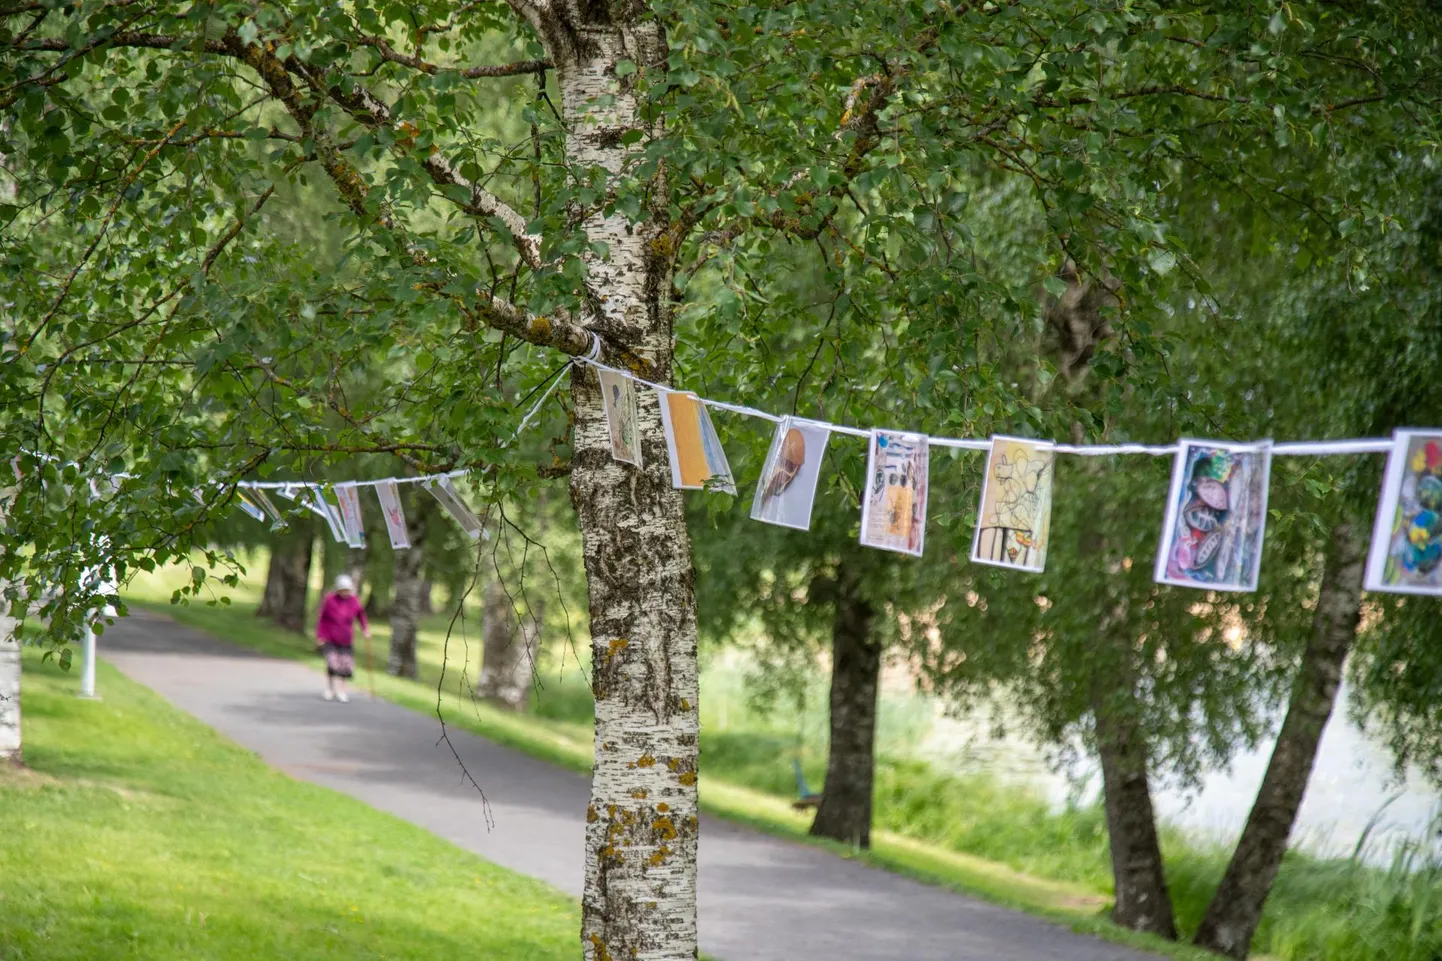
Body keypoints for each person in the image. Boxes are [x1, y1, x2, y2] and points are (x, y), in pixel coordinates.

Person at [315, 574, 369, 702]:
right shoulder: (330, 600)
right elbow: (322, 619)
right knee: (332, 663)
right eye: (343, 590)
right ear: (338, 589)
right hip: (330, 637)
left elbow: (361, 615)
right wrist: (320, 635)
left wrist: (365, 629)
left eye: (348, 590)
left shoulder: (354, 601)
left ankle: (341, 691)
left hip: (346, 638)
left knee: (345, 665)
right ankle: (330, 689)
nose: (346, 592)